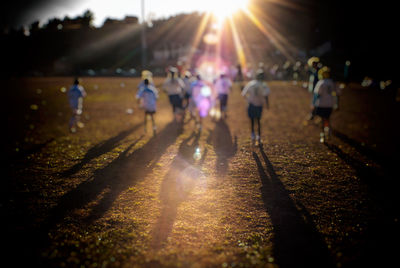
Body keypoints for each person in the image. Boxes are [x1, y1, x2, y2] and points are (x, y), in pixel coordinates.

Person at [241, 69, 270, 143]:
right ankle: (259, 135)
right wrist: (267, 104)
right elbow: (266, 95)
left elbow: (243, 94)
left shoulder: (251, 84)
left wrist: (248, 99)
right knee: (258, 120)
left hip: (251, 104)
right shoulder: (263, 85)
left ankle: (253, 133)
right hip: (259, 104)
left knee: (252, 120)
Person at [313, 66, 337, 143]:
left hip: (321, 103)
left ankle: (323, 134)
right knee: (327, 118)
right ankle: (328, 131)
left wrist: (313, 103)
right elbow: (337, 93)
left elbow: (317, 93)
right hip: (329, 103)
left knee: (322, 119)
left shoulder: (321, 82)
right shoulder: (332, 82)